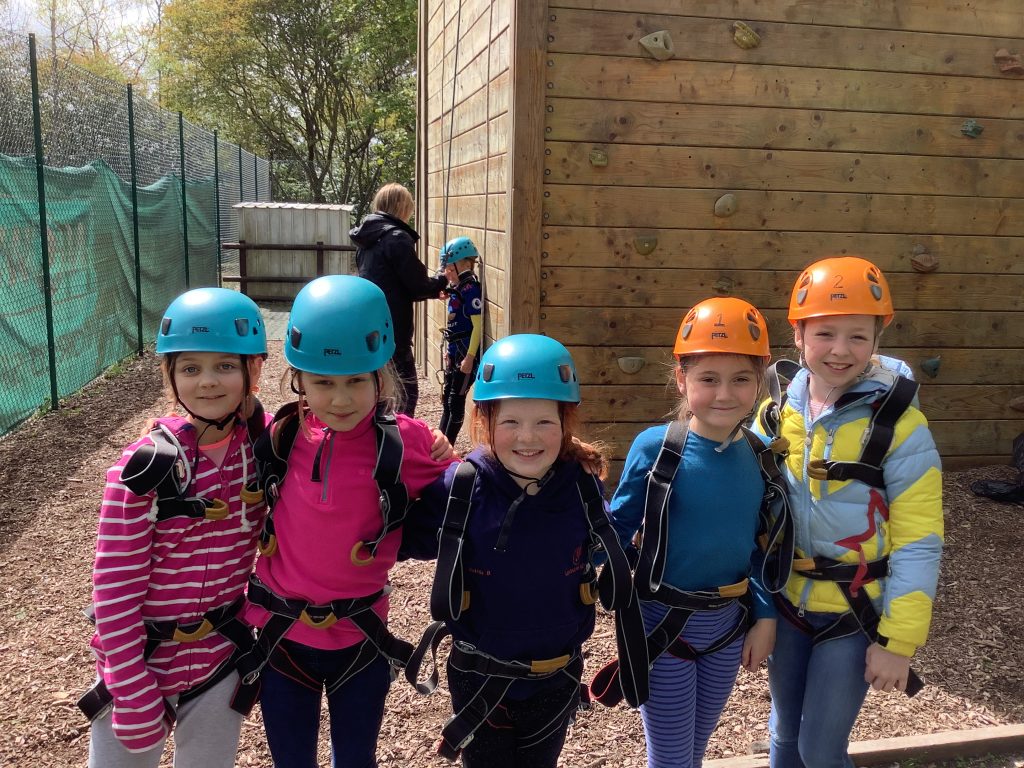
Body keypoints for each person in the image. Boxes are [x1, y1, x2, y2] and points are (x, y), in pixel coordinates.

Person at [239, 274, 457, 768]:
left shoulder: (407, 441)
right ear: (298, 380)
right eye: (323, 383)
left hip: (361, 639)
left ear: (381, 374)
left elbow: (474, 488)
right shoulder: (283, 436)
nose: (340, 399)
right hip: (283, 637)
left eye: (356, 380)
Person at [400, 334, 635, 768]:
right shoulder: (462, 488)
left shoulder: (580, 487)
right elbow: (399, 539)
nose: (528, 438)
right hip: (478, 678)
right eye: (511, 422)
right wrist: (406, 453)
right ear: (485, 421)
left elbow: (599, 545)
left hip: (557, 677)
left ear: (566, 422)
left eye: (544, 422)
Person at [754, 256, 943, 768]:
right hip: (788, 605)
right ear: (798, 334)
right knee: (783, 735)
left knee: (819, 750)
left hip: (853, 612)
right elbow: (745, 496)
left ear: (878, 338)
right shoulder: (776, 412)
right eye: (826, 333)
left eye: (858, 336)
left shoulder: (902, 428)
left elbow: (919, 540)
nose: (840, 351)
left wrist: (898, 642)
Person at [84, 287, 269, 767]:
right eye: (190, 368)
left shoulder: (262, 449)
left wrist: (425, 445)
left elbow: (336, 430)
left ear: (255, 370)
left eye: (225, 366)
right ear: (170, 375)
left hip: (219, 659)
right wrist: (128, 684)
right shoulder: (147, 467)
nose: (207, 382)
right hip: (139, 660)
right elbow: (114, 585)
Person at [602, 297, 784, 768]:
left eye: (741, 379)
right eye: (708, 379)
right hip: (662, 622)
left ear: (760, 380)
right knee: (671, 757)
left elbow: (762, 544)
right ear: (682, 379)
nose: (725, 394)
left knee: (695, 749)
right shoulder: (660, 448)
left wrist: (765, 617)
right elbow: (617, 526)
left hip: (726, 626)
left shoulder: (760, 455)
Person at [351, 182, 447, 416]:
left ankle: (376, 443)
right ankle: (400, 445)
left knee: (378, 388)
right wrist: (442, 280)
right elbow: (417, 285)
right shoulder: (397, 238)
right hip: (393, 329)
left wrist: (434, 288)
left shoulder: (366, 240)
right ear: (402, 207)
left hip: (368, 325)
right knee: (405, 393)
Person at [438, 235, 483, 443]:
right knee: (447, 399)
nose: (446, 272)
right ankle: (439, 441)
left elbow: (477, 327)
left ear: (465, 263)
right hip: (455, 350)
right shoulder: (457, 289)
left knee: (456, 401)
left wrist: (470, 357)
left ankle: (447, 446)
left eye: (449, 267)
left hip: (466, 352)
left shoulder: (470, 289)